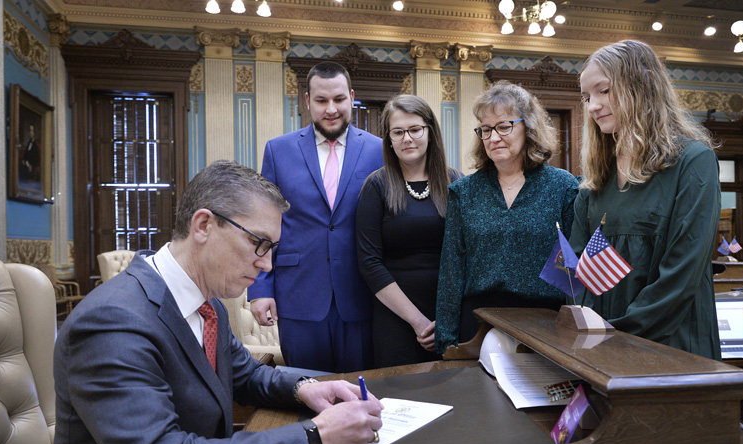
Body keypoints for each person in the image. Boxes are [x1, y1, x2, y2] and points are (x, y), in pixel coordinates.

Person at [52, 161, 384, 444]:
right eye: (259, 243)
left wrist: (305, 387)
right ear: (204, 225)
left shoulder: (209, 306)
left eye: (272, 248)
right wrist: (315, 438)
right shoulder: (113, 322)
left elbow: (246, 375)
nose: (267, 264)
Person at [572, 40, 721, 359]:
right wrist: (592, 331)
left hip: (673, 345)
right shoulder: (595, 179)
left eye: (604, 90)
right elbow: (578, 270)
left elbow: (682, 272)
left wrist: (620, 334)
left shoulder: (693, 162)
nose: (593, 105)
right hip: (602, 345)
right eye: (586, 97)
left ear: (643, 84)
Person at [248, 61, 383, 373]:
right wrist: (260, 289)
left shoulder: (379, 151)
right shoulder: (278, 150)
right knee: (306, 393)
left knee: (361, 391)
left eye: (338, 99)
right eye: (321, 101)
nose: (331, 109)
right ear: (307, 101)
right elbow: (262, 226)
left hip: (362, 296)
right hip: (298, 296)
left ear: (351, 97)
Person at [435, 81, 579, 354]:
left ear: (529, 128)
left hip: (545, 324)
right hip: (477, 324)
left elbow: (575, 269)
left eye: (504, 126)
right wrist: (446, 340)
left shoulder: (562, 186)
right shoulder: (463, 192)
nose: (493, 137)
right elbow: (451, 270)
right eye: (486, 130)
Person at [356, 94, 462, 367]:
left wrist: (448, 318)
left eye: (415, 129)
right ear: (388, 139)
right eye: (398, 132)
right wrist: (418, 322)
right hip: (396, 319)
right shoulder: (376, 186)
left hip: (450, 317)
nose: (407, 138)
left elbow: (469, 255)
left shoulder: (456, 182)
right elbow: (369, 263)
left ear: (430, 131)